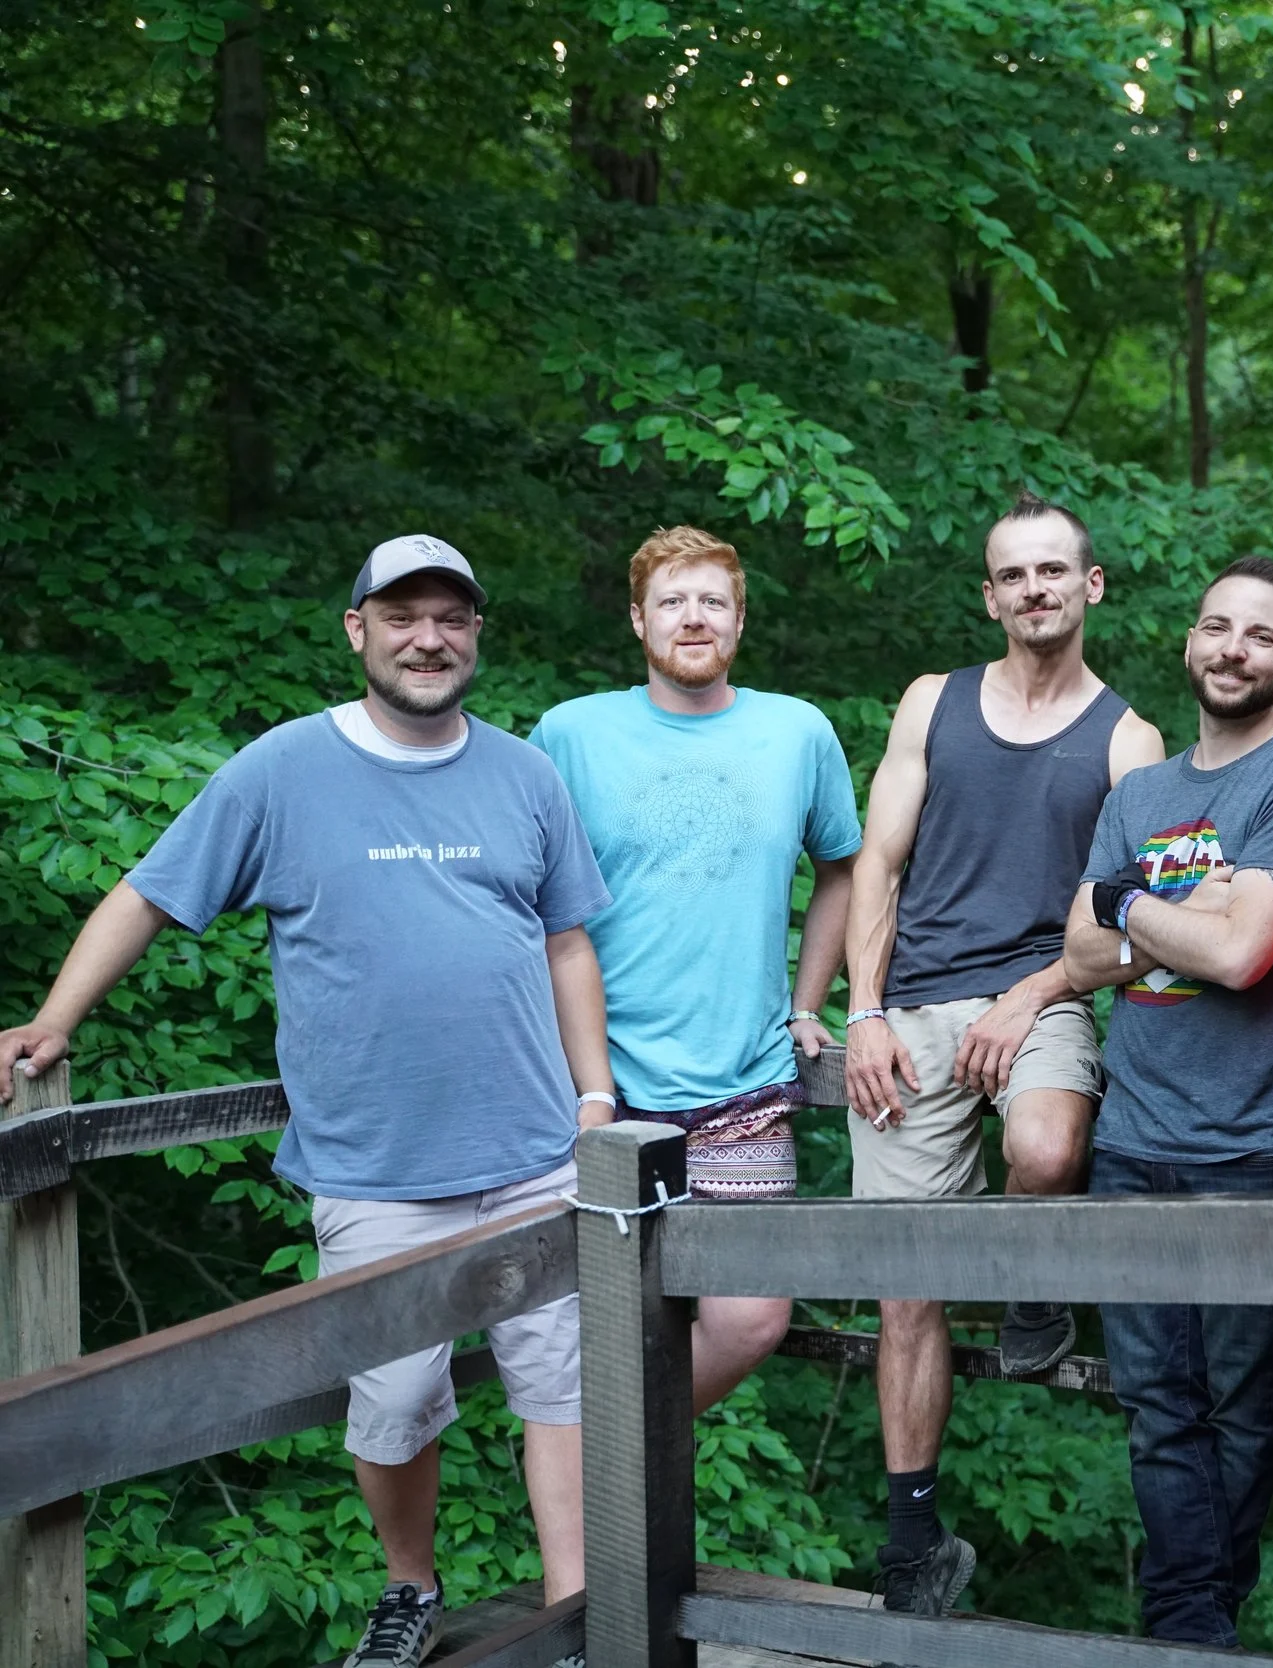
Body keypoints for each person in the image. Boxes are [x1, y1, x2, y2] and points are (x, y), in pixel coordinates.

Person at [0, 536, 614, 1668]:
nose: (428, 638)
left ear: (476, 633)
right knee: (391, 1401)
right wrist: (56, 1019)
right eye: (402, 617)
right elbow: (148, 892)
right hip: (373, 1168)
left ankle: (576, 1614)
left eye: (451, 619)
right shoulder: (280, 771)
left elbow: (569, 939)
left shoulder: (526, 775)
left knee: (562, 1389)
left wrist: (594, 1095)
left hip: (533, 1153)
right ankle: (409, 1587)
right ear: (358, 631)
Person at [841, 491, 1164, 1615]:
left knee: (1043, 1144)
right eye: (1011, 575)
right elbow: (877, 865)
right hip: (913, 1006)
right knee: (904, 1288)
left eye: (1052, 571)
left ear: (1091, 586)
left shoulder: (1130, 741)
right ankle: (914, 1544)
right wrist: (864, 1012)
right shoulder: (934, 703)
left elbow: (1141, 922)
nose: (1033, 590)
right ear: (990, 596)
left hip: (1049, 990)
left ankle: (1033, 1280)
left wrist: (1029, 995)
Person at [1064, 556, 1273, 1648]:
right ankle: (1196, 1627)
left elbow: (1242, 959)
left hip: (1253, 1142)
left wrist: (1132, 898)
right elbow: (1081, 952)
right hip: (1132, 1138)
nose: (1233, 648)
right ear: (1191, 639)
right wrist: (1184, 906)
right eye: (1217, 627)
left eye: (1260, 635)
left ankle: (1188, 1626)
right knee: (1155, 1405)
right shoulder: (1138, 793)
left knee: (1238, 1401)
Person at [529, 525, 861, 1409]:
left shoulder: (797, 732)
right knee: (579, 1322)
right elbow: (523, 895)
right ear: (639, 621)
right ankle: (594, 1499)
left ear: (740, 620)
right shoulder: (570, 734)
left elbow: (843, 869)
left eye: (713, 601)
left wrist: (806, 999)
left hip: (740, 1088)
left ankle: (616, 1457)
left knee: (752, 1318)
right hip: (592, 1084)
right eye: (671, 601)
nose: (693, 618)